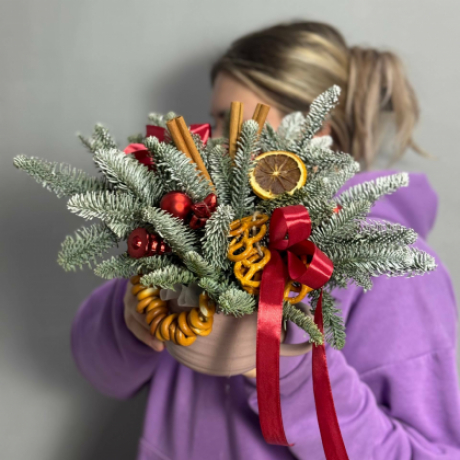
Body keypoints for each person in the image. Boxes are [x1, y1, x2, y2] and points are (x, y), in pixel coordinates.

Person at [71, 21, 460, 459]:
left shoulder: (394, 269)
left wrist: (284, 364)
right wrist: (129, 318)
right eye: (213, 120)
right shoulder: (197, 227)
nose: (211, 143)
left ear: (314, 133)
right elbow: (102, 374)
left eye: (233, 121)